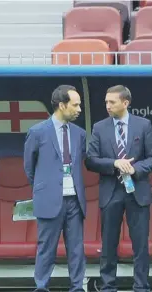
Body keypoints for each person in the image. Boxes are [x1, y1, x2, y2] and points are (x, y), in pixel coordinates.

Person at [85, 85, 152, 292]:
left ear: (126, 103)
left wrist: (134, 168)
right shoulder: (99, 127)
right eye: (106, 101)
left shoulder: (144, 125)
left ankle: (141, 287)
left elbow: (150, 158)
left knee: (140, 245)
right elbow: (91, 161)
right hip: (110, 191)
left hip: (137, 192)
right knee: (108, 244)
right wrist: (114, 163)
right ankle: (108, 286)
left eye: (112, 102)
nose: (107, 105)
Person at [23, 85, 87, 292]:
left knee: (76, 250)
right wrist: (44, 188)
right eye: (75, 105)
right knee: (46, 249)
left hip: (74, 201)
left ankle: (77, 288)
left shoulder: (80, 134)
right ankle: (41, 288)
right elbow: (29, 167)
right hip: (49, 199)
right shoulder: (37, 132)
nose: (79, 109)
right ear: (62, 105)